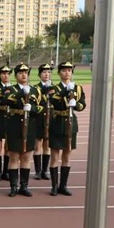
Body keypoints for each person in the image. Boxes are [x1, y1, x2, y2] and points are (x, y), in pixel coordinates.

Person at [48, 61, 87, 196]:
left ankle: (63, 185)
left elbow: (82, 104)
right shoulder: (54, 88)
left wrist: (76, 105)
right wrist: (66, 92)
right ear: (59, 73)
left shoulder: (78, 88)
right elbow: (53, 100)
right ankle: (54, 186)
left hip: (70, 123)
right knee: (54, 156)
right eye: (64, 70)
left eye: (69, 70)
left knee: (67, 155)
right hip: (57, 122)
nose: (67, 73)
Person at [4, 63, 42, 197]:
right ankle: (13, 186)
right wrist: (22, 92)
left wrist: (32, 108)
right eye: (20, 73)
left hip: (30, 125)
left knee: (26, 157)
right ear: (16, 76)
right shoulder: (10, 89)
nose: (24, 75)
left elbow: (41, 107)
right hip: (14, 125)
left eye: (25, 73)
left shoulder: (35, 90)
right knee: (14, 157)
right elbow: (6, 100)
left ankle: (24, 186)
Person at [33, 63, 54, 180]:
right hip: (39, 119)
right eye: (44, 72)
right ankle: (38, 171)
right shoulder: (36, 88)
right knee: (38, 145)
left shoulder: (54, 87)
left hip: (50, 119)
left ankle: (45, 170)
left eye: (49, 72)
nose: (47, 74)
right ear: (40, 74)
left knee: (47, 146)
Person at [0, 65, 12, 182]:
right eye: (3, 73)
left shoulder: (13, 88)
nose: (6, 76)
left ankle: (6, 171)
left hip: (10, 119)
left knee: (8, 147)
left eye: (7, 73)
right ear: (0, 75)